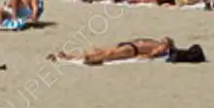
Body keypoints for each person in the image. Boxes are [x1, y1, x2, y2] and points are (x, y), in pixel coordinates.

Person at [47, 37, 175, 65]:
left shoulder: (162, 46)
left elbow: (153, 54)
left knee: (108, 54)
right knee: (103, 51)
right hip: (129, 45)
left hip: (132, 49)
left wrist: (146, 55)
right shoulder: (156, 42)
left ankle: (86, 59)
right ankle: (68, 56)